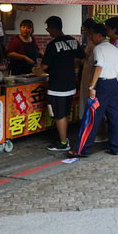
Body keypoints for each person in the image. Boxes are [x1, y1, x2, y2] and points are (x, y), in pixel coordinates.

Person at [73, 23, 118, 157]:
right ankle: (116, 147)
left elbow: (98, 68)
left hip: (102, 85)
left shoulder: (98, 49)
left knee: (92, 117)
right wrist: (113, 71)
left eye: (92, 35)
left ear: (98, 35)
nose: (90, 37)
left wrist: (92, 86)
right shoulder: (113, 48)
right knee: (115, 117)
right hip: (114, 83)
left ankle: (84, 149)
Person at [42, 16, 85, 152]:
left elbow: (43, 67)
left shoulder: (52, 45)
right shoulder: (73, 41)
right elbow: (81, 57)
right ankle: (64, 137)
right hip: (70, 84)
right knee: (65, 112)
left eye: (48, 28)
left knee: (59, 114)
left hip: (57, 86)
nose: (48, 31)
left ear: (54, 28)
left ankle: (62, 143)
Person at [99, 16, 118, 144]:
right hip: (115, 80)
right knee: (114, 111)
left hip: (117, 80)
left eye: (108, 28)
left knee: (116, 111)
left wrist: (110, 71)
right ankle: (116, 137)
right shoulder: (114, 42)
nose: (106, 31)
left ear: (114, 29)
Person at [78, 18, 97, 106]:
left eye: (85, 29)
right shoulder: (89, 39)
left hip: (91, 70)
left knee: (89, 94)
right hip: (87, 69)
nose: (84, 31)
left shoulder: (95, 41)